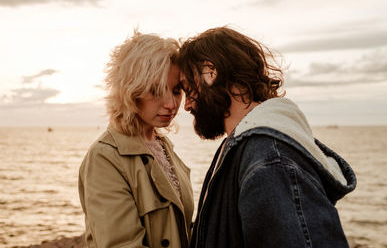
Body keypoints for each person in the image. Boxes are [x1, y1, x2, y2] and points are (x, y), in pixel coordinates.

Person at [177, 27, 357, 248]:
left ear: (209, 72)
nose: (186, 105)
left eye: (188, 88)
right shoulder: (242, 148)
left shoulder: (269, 158)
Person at [78, 31, 194, 248]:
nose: (171, 103)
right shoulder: (105, 158)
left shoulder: (163, 147)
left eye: (177, 90)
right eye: (156, 90)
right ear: (131, 90)